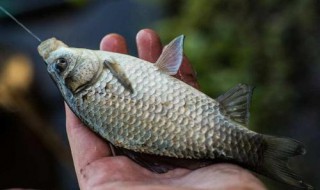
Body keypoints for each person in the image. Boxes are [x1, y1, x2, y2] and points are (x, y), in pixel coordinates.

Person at [65, 29, 267, 190]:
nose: (62, 60)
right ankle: (257, 152)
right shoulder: (100, 73)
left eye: (61, 64)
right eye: (62, 65)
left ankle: (253, 151)